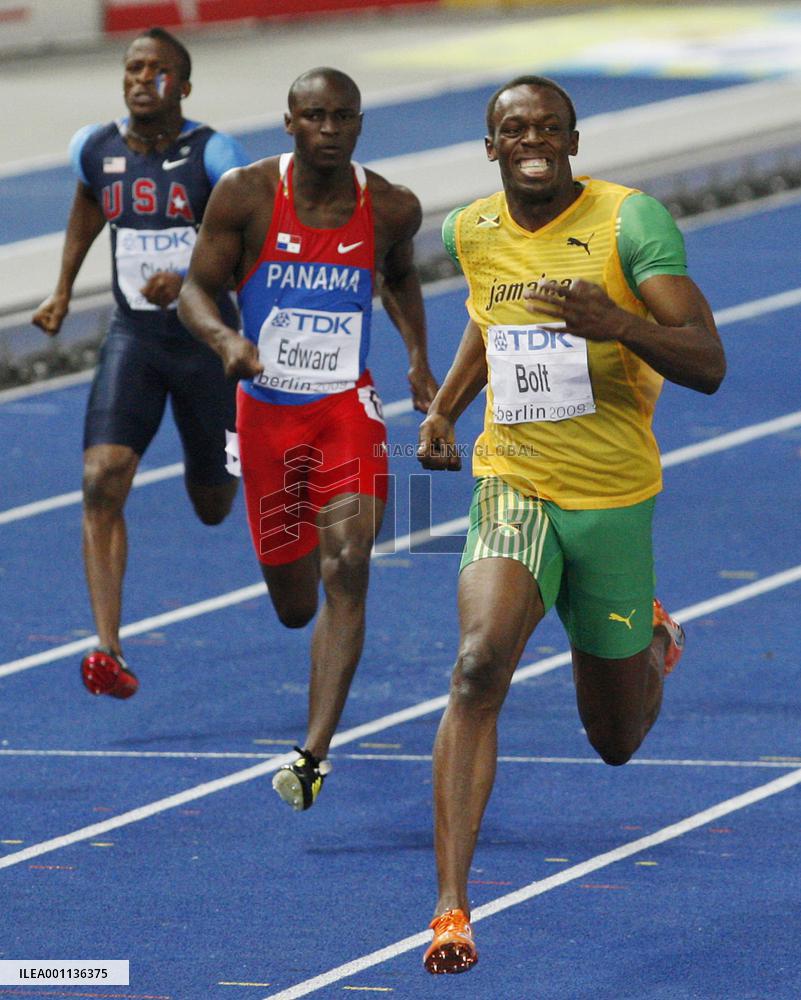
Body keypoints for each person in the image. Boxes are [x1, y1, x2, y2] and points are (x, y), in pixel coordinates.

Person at [416, 75, 726, 973]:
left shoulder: (633, 225)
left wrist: (614, 322)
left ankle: (651, 639)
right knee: (476, 666)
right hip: (514, 483)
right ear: (491, 148)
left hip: (613, 497)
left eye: (549, 126)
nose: (533, 139)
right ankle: (450, 910)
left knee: (615, 740)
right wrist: (443, 408)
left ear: (574, 141)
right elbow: (488, 323)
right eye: (515, 129)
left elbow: (707, 360)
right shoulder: (469, 229)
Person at [177, 67, 437, 811]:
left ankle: (313, 751)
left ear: (359, 124)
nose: (328, 130)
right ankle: (300, 629)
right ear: (289, 123)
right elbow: (196, 287)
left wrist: (416, 359)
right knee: (294, 604)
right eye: (314, 117)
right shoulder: (248, 195)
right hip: (267, 414)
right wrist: (227, 339)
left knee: (350, 562)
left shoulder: (390, 206)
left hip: (344, 409)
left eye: (342, 118)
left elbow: (400, 277)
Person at [32, 28, 248, 700]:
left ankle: (211, 459)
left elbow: (249, 240)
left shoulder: (216, 153)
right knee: (101, 476)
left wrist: (188, 275)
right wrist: (64, 288)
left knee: (212, 502)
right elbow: (87, 207)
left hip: (208, 344)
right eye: (132, 67)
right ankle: (109, 649)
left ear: (183, 85)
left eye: (158, 70)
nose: (141, 78)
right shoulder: (92, 148)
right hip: (135, 337)